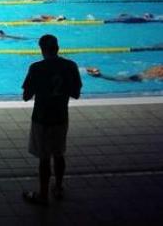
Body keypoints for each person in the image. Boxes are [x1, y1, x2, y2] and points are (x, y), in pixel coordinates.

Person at [22, 34, 82, 206]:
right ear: (58, 48)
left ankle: (42, 194)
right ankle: (58, 187)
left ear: (41, 50)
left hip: (42, 118)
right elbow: (76, 94)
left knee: (44, 158)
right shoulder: (70, 66)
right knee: (59, 153)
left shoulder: (36, 68)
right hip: (61, 116)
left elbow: (26, 96)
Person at [85, 65, 163, 82]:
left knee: (123, 78)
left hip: (141, 75)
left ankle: (99, 75)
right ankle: (100, 75)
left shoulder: (159, 66)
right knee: (124, 79)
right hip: (142, 77)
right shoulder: (159, 68)